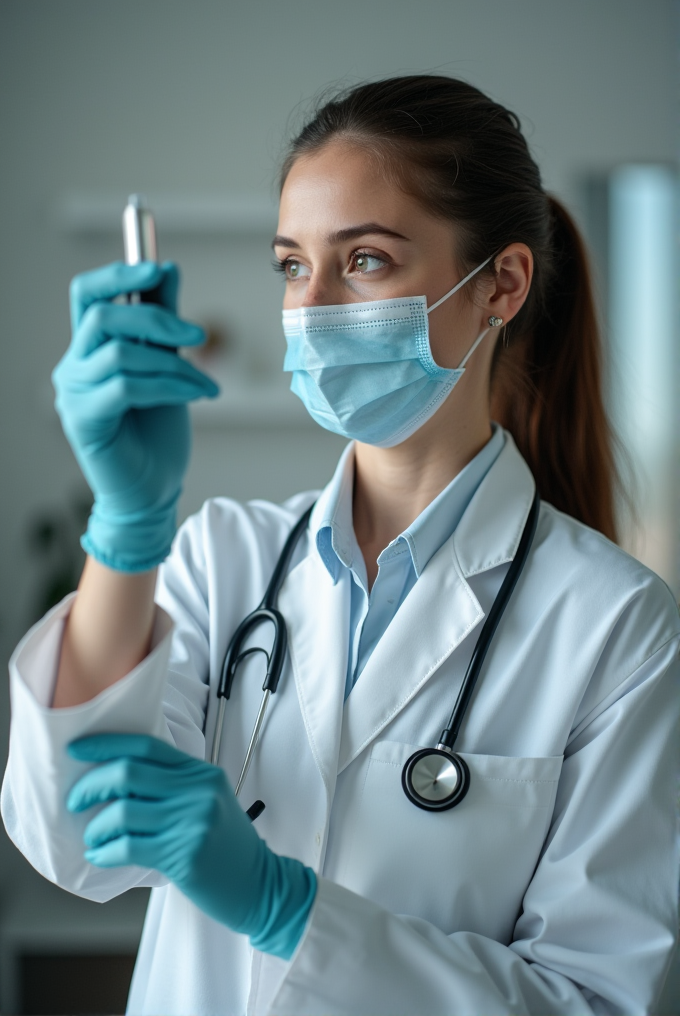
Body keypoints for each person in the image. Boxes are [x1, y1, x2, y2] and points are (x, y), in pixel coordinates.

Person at [2, 75, 679, 1016]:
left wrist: (287, 911)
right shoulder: (222, 558)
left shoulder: (619, 628)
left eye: (364, 261)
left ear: (502, 285)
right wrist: (126, 528)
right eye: (291, 264)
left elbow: (596, 1002)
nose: (312, 306)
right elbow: (73, 844)